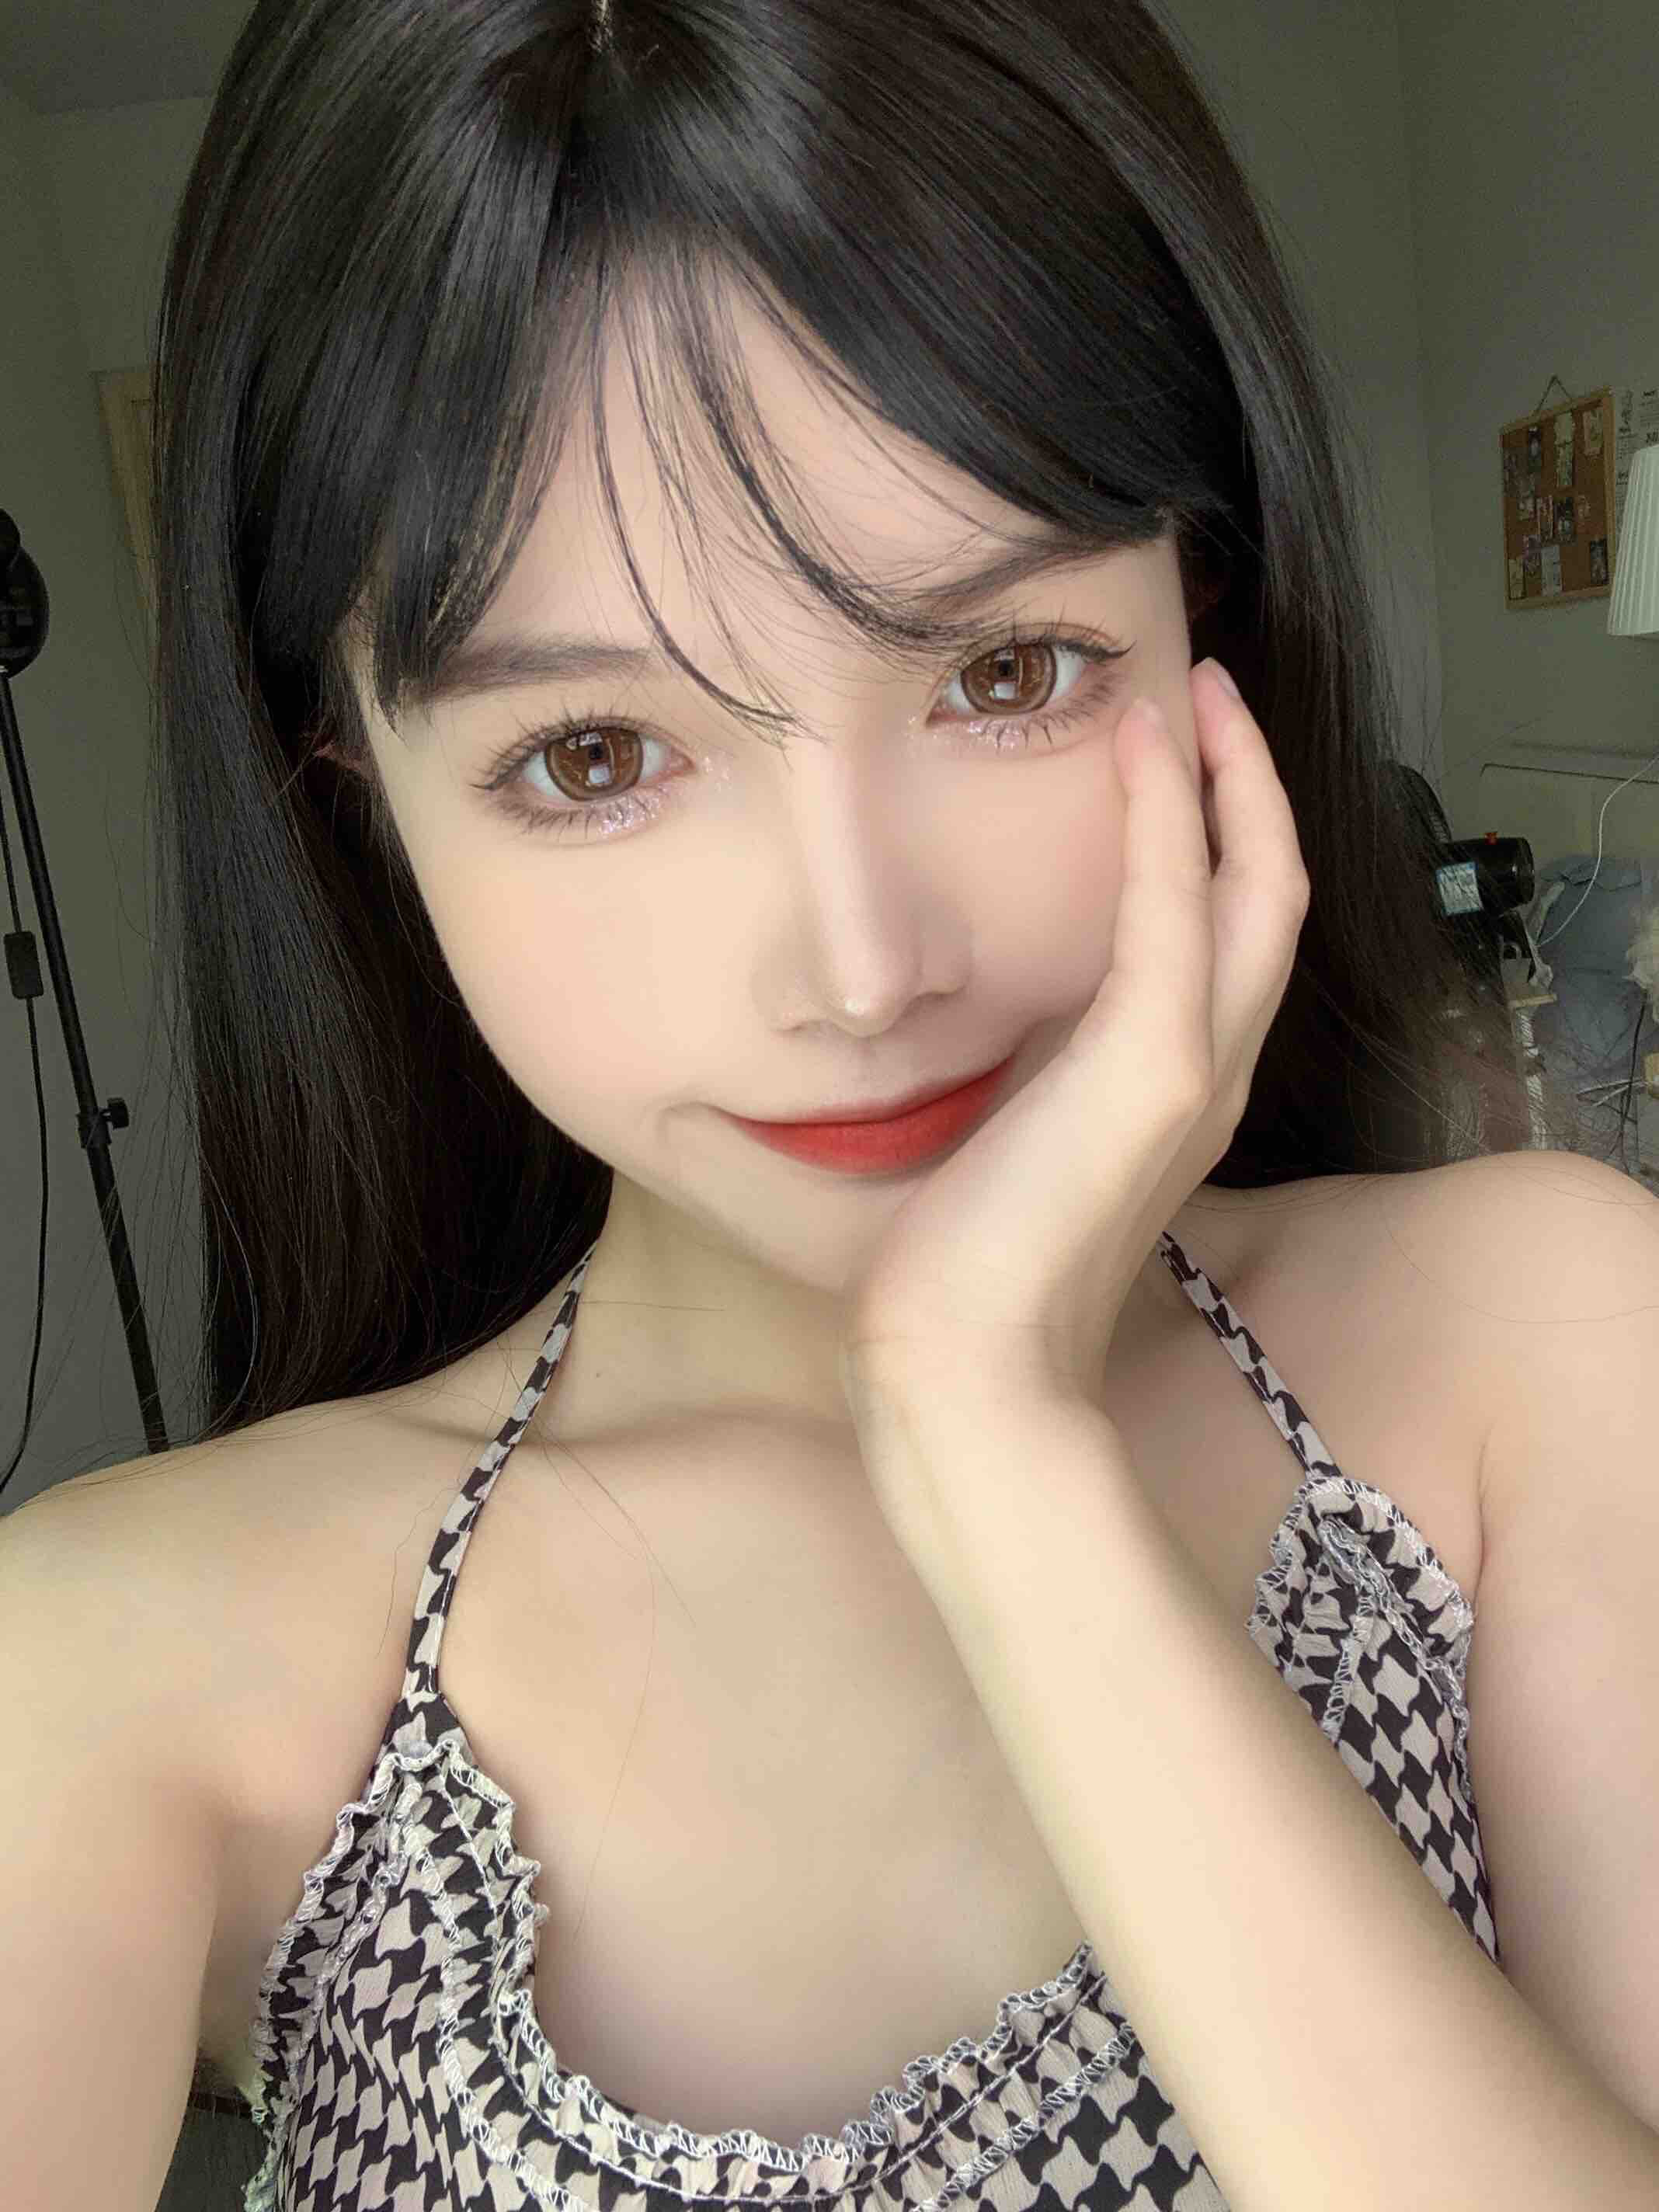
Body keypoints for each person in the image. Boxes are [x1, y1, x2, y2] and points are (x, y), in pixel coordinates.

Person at [9, 2, 1563, 2207]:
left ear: (1202, 618)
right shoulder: (108, 1665)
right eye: (593, 758)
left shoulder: (1536, 1339)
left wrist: (994, 1440)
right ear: (355, 789)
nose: (861, 968)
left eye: (1006, 672)